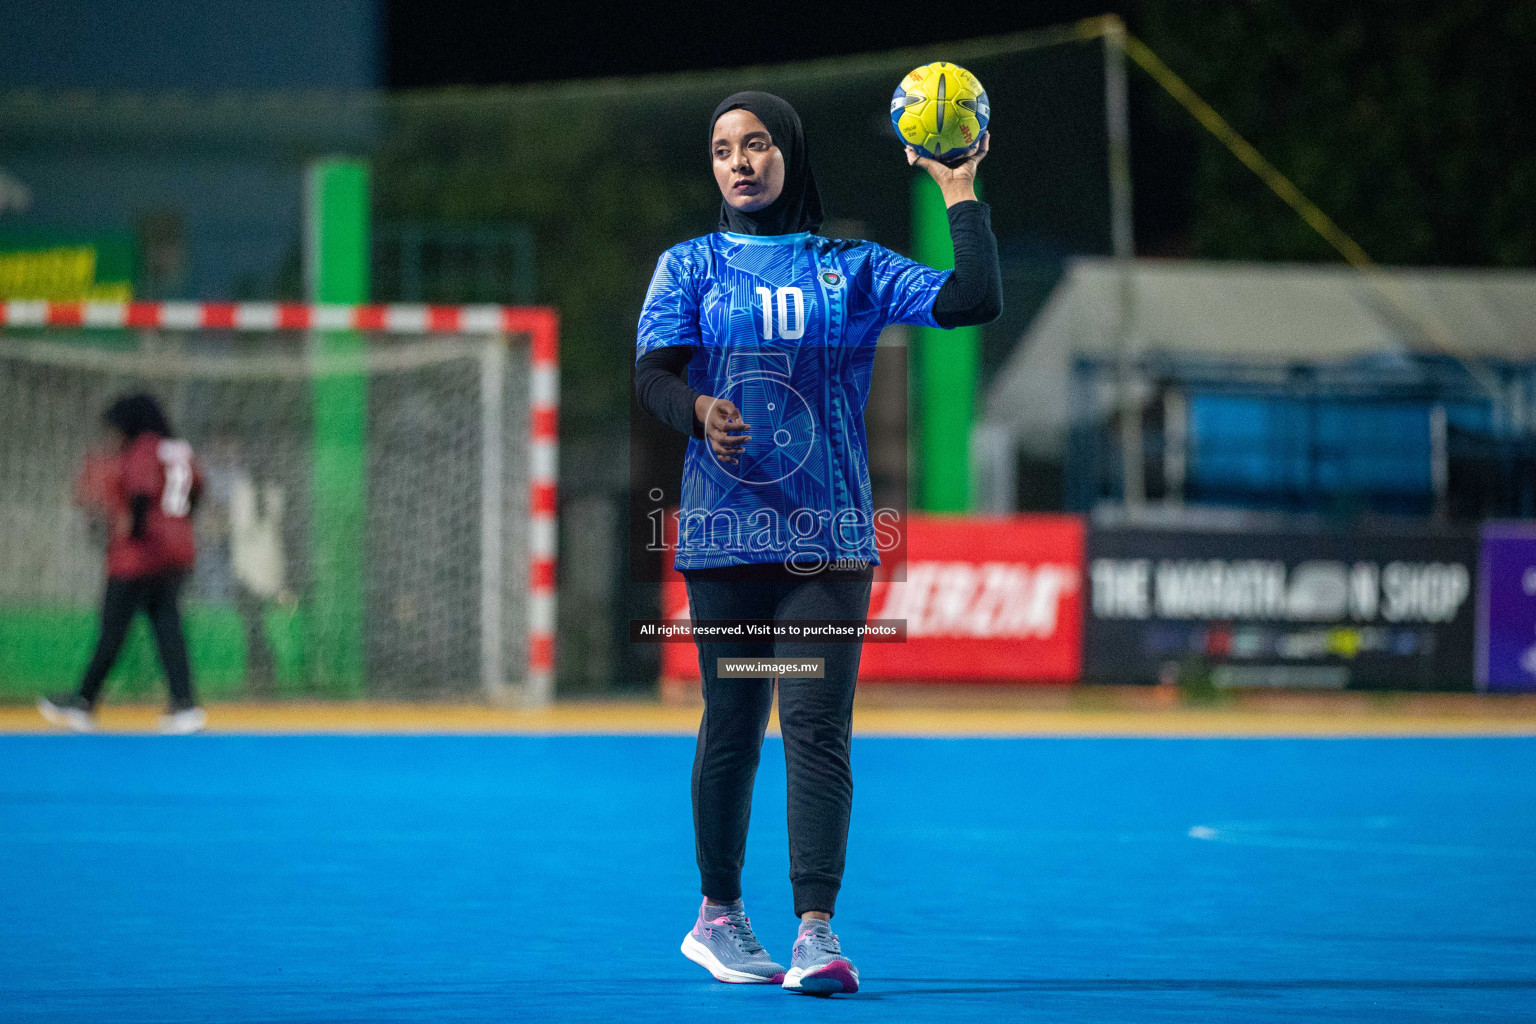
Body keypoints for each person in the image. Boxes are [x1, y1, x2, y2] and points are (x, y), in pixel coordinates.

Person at [634, 91, 1000, 995]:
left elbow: (973, 298)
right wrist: (696, 410)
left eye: (756, 144)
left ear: (789, 153)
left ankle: (815, 934)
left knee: (815, 729)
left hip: (827, 544)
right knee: (733, 724)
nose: (740, 162)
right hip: (724, 538)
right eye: (723, 149)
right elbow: (650, 375)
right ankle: (718, 918)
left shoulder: (852, 268)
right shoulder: (689, 266)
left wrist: (960, 193)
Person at [39, 393, 208, 735]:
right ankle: (185, 704)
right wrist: (176, 525)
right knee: (168, 627)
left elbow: (141, 492)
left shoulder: (143, 447)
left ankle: (83, 701)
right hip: (176, 551)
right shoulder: (178, 448)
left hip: (141, 554)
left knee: (114, 627)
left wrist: (136, 530)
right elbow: (198, 490)